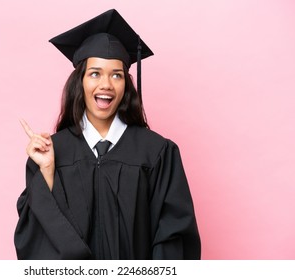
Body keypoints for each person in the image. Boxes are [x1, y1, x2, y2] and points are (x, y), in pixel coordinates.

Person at [14, 9, 201, 260]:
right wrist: (47, 173)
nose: (106, 84)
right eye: (95, 73)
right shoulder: (51, 153)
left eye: (117, 75)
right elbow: (34, 238)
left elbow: (174, 236)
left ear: (126, 84)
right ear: (79, 81)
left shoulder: (157, 152)